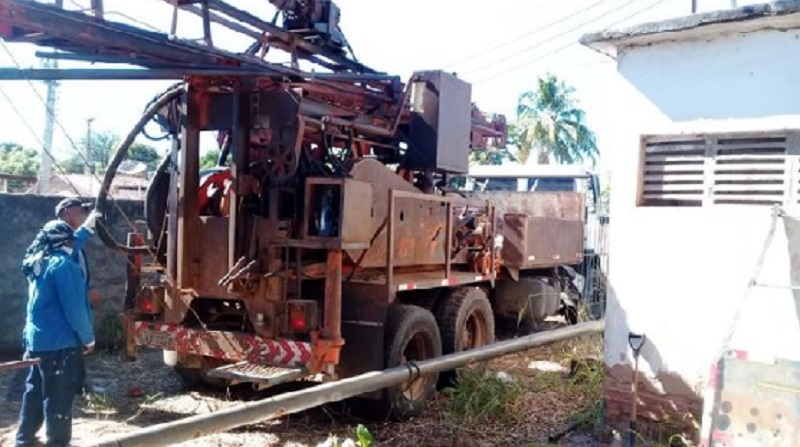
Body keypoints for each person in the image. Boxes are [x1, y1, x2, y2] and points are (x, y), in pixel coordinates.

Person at [16, 216, 99, 447]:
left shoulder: (38, 262)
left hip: (36, 342)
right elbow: (75, 310)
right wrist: (88, 338)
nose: (74, 243)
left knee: (34, 393)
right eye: (71, 240)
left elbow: (72, 245)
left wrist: (86, 228)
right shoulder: (64, 267)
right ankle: (58, 443)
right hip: (60, 344)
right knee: (59, 397)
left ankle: (24, 440)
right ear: (65, 241)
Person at [53, 197, 97, 397]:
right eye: (81, 211)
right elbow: (75, 244)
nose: (84, 215)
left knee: (75, 344)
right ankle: (70, 389)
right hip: (65, 305)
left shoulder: (68, 238)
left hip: (76, 296)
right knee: (72, 341)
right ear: (66, 212)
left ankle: (78, 386)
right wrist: (88, 228)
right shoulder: (58, 238)